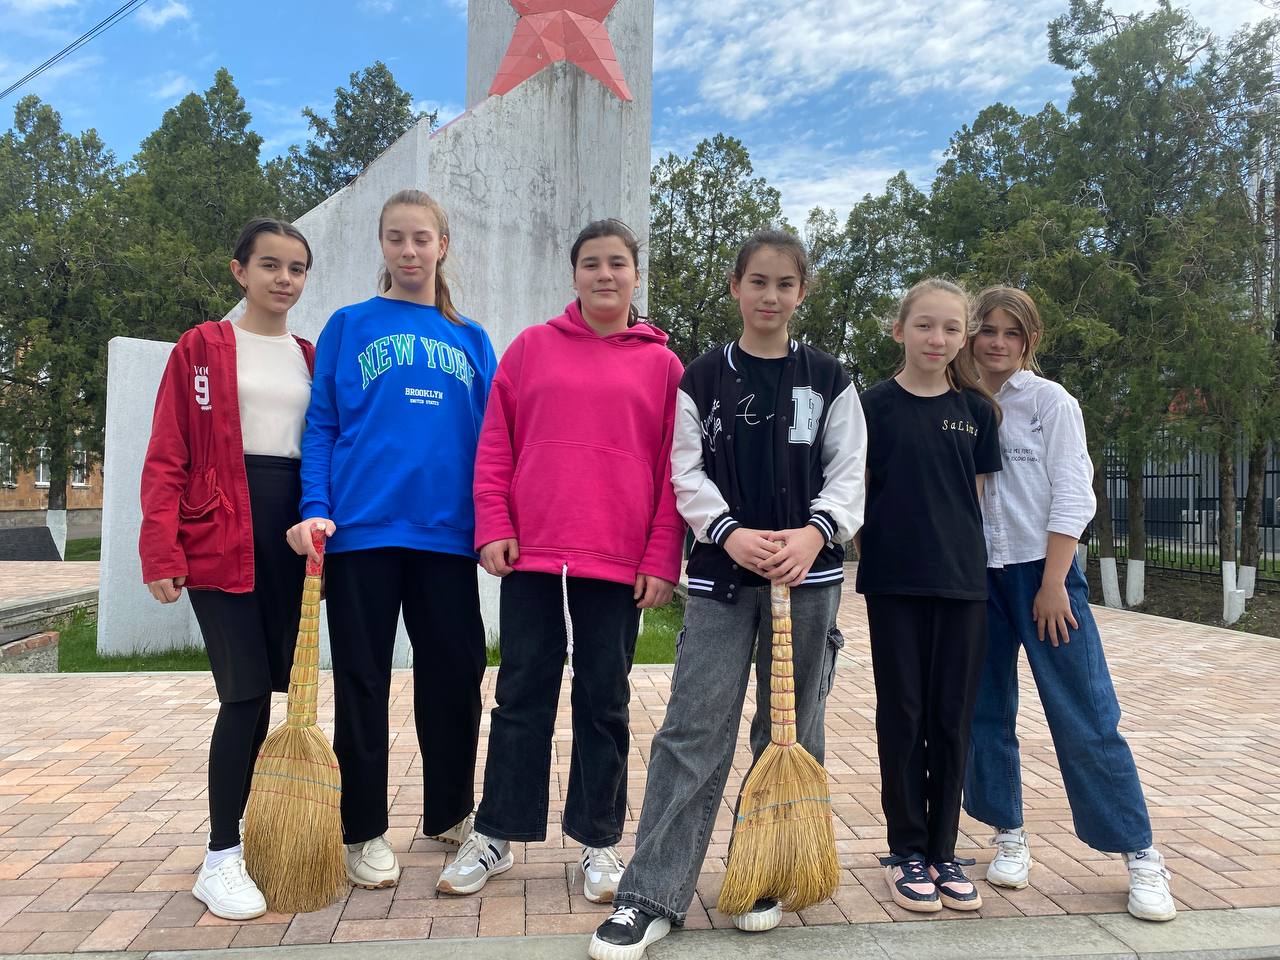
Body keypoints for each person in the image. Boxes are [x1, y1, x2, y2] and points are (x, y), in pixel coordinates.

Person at [588, 229, 867, 960]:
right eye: (758, 282)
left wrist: (813, 534)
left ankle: (763, 876)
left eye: (785, 284)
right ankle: (650, 895)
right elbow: (685, 472)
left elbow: (850, 475)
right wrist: (729, 532)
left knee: (790, 733)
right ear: (736, 287)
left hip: (808, 582)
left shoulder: (832, 381)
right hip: (720, 579)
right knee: (691, 731)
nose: (770, 296)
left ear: (802, 292)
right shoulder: (703, 379)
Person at [437, 219, 683, 905]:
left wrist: (663, 555)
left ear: (636, 275)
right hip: (534, 555)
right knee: (520, 696)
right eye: (591, 264)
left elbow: (675, 472)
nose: (605, 274)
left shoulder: (664, 366)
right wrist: (494, 523)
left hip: (619, 561)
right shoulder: (530, 349)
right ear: (574, 274)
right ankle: (497, 833)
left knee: (604, 700)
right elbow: (495, 446)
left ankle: (599, 843)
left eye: (617, 264)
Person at [286, 190, 496, 890]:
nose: (410, 251)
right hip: (362, 533)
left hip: (445, 538)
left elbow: (494, 441)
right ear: (382, 245)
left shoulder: (472, 339)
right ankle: (363, 828)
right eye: (396, 239)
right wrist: (316, 506)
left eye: (422, 239)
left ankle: (448, 811)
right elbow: (320, 426)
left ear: (443, 244)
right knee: (363, 682)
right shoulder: (349, 326)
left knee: (457, 676)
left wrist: (496, 523)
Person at [963, 285, 1176, 922]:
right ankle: (1008, 835)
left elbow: (1073, 494)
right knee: (985, 712)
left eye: (1011, 333)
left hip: (1043, 576)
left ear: (1029, 341)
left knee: (1084, 714)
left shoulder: (1050, 402)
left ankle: (1140, 855)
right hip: (979, 580)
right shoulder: (961, 402)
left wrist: (1055, 581)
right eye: (988, 331)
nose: (997, 343)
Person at [140, 217, 315, 920]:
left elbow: (325, 445)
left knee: (269, 694)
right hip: (220, 535)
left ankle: (243, 839)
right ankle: (219, 856)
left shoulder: (308, 352)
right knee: (241, 693)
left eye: (297, 268)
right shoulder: (202, 348)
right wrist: (161, 546)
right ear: (239, 269)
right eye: (269, 264)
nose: (283, 278)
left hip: (291, 535)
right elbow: (167, 451)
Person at [856, 277, 1001, 913]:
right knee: (904, 714)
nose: (936, 339)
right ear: (899, 330)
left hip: (964, 585)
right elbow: (854, 491)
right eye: (924, 325)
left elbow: (976, 501)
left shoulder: (976, 412)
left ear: (962, 335)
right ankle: (906, 850)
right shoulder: (871, 407)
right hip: (894, 584)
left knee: (952, 718)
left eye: (949, 328)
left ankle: (944, 851)